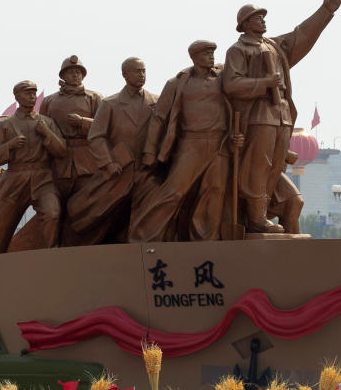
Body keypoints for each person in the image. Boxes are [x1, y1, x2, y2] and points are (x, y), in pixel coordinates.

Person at [223, 0, 341, 233]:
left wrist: (325, 11)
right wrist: (263, 84)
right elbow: (231, 84)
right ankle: (256, 218)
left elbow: (301, 36)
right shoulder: (239, 50)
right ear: (245, 23)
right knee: (259, 166)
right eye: (257, 17)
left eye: (263, 16)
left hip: (281, 117)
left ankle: (263, 213)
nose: (263, 20)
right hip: (258, 118)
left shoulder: (274, 46)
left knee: (275, 168)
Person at [132, 41, 234, 242]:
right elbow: (159, 117)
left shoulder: (223, 78)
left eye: (213, 53)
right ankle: (142, 238)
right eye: (206, 53)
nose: (212, 57)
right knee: (174, 191)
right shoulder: (177, 83)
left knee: (214, 192)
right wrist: (150, 151)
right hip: (191, 144)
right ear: (194, 57)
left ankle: (205, 241)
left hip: (219, 143)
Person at [69, 56, 158, 244]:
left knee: (144, 215)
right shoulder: (110, 104)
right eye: (137, 71)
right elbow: (96, 136)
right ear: (125, 75)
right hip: (120, 169)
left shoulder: (156, 102)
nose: (142, 75)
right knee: (103, 215)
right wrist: (108, 163)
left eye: (143, 71)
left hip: (147, 170)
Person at [0, 80, 67, 254]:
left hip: (43, 178)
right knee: (0, 226)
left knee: (52, 214)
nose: (32, 97)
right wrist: (10, 145)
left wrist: (47, 134)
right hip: (15, 178)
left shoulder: (47, 123)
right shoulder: (6, 124)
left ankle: (53, 256)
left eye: (34, 93)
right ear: (17, 96)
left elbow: (61, 151)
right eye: (27, 93)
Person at [39, 55, 103, 246]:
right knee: (57, 208)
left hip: (87, 159)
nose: (75, 75)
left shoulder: (94, 98)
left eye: (78, 72)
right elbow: (41, 129)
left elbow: (105, 127)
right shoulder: (50, 101)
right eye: (71, 72)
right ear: (63, 75)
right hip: (59, 158)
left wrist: (83, 123)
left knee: (86, 205)